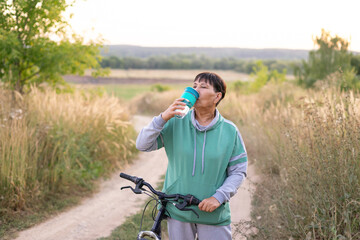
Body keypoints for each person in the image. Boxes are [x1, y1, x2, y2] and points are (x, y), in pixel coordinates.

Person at [136, 72, 248, 240]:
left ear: (217, 96)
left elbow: (238, 171)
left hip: (213, 214)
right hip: (177, 210)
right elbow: (142, 145)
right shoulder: (174, 122)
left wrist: (219, 197)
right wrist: (163, 117)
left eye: (203, 87)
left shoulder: (229, 131)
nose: (196, 90)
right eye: (194, 86)